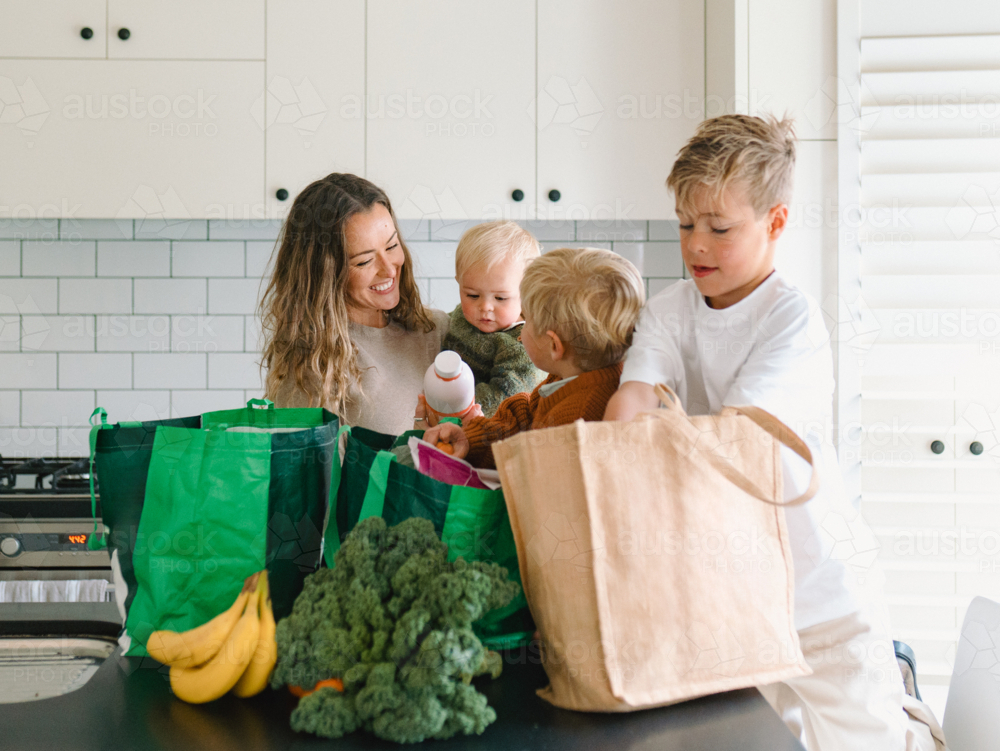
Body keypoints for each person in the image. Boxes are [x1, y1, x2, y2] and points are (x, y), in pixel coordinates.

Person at [603, 115, 947, 751]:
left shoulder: (792, 320)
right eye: (685, 224)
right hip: (735, 594)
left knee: (866, 739)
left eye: (719, 228)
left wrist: (648, 446)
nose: (696, 245)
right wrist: (613, 455)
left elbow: (737, 440)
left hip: (824, 592)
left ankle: (903, 699)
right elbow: (633, 396)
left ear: (776, 223)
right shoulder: (670, 310)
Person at [259, 173, 450, 435]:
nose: (389, 270)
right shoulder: (313, 365)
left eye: (392, 245)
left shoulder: (436, 328)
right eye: (364, 261)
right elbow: (306, 471)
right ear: (324, 275)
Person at [423, 247, 644, 469]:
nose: (520, 330)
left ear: (554, 346)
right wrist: (470, 439)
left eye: (526, 319)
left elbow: (527, 468)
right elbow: (524, 416)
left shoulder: (579, 417)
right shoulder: (569, 374)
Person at [438, 221, 545, 418]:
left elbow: (504, 396)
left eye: (500, 298)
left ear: (527, 292)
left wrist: (449, 406)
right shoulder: (464, 316)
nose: (485, 307)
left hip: (488, 428)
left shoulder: (523, 345)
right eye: (472, 295)